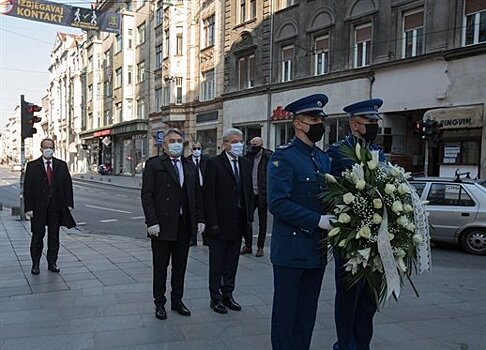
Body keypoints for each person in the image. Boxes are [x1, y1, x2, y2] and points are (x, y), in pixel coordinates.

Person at [267, 94, 335, 350]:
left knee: (307, 316)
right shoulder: (283, 157)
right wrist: (317, 220)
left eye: (321, 119)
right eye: (313, 119)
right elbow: (278, 203)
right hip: (291, 253)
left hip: (316, 252)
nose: (319, 124)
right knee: (286, 317)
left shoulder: (323, 159)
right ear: (297, 123)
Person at [327, 98, 387, 350]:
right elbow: (331, 191)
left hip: (377, 237)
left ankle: (362, 344)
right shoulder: (338, 152)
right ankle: (345, 344)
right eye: (369, 122)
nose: (374, 126)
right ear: (354, 125)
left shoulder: (378, 152)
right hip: (351, 237)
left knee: (369, 299)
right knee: (348, 298)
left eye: (375, 122)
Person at [141, 128, 205, 320]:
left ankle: (177, 300)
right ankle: (159, 303)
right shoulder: (154, 164)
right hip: (161, 226)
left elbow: (196, 195)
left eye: (179, 140)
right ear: (164, 145)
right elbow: (147, 195)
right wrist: (151, 221)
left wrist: (200, 218)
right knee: (160, 267)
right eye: (172, 141)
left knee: (180, 266)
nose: (176, 144)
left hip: (183, 225)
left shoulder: (189, 165)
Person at [203, 128, 254, 314]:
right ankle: (215, 298)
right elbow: (208, 195)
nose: (238, 144)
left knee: (232, 263)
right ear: (225, 144)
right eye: (234, 141)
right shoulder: (214, 163)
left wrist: (249, 218)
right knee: (217, 264)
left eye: (240, 141)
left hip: (238, 222)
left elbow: (248, 192)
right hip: (219, 223)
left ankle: (228, 294)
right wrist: (212, 222)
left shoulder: (246, 164)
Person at [24, 137, 75, 275]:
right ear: (41, 149)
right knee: (37, 236)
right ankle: (35, 264)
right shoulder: (32, 165)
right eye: (46, 147)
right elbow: (27, 188)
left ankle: (52, 262)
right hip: (38, 208)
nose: (48, 150)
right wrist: (28, 208)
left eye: (51, 147)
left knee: (54, 236)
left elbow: (67, 185)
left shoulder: (61, 165)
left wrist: (69, 204)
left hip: (55, 208)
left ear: (54, 149)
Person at [241, 137, 273, 257]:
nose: (253, 146)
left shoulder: (268, 157)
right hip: (250, 194)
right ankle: (248, 245)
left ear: (261, 144)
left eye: (256, 144)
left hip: (263, 194)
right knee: (247, 220)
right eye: (252, 144)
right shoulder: (248, 156)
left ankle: (260, 247)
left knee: (263, 222)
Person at [186, 141, 209, 246]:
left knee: (205, 214)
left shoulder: (207, 161)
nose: (197, 151)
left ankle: (206, 238)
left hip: (204, 190)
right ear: (191, 150)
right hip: (193, 191)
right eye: (194, 149)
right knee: (193, 215)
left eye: (198, 148)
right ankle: (193, 238)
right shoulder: (187, 162)